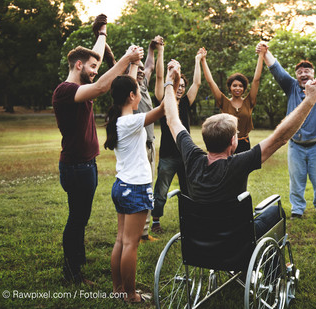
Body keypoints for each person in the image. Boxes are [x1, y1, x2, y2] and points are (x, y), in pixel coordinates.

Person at [163, 59, 316, 237]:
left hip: (201, 237)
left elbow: (172, 119)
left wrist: (170, 81)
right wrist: (310, 100)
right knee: (276, 212)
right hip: (237, 238)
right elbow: (280, 137)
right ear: (233, 142)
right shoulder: (239, 164)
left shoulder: (192, 158)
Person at [52, 19, 143, 285]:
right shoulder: (66, 90)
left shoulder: (79, 86)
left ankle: (76, 260)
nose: (96, 71)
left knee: (81, 216)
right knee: (77, 218)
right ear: (78, 65)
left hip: (86, 165)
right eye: (91, 67)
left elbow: (97, 60)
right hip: (76, 167)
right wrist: (127, 58)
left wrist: (102, 34)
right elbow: (103, 85)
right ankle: (72, 272)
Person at [259, 35, 316, 219]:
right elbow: (276, 69)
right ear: (296, 75)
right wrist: (266, 52)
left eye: (307, 71)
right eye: (300, 72)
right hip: (296, 146)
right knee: (296, 181)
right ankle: (297, 211)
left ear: (313, 74)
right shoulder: (291, 87)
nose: (303, 74)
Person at [104, 67, 167, 303]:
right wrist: (171, 81)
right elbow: (162, 109)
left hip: (122, 186)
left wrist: (133, 63)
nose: (140, 93)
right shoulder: (131, 121)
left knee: (122, 240)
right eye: (137, 90)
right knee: (131, 243)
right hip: (135, 188)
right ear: (131, 96)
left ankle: (119, 289)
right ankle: (130, 295)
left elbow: (130, 90)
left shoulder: (118, 119)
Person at [151, 48, 203, 233]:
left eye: (182, 86)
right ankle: (156, 221)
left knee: (188, 190)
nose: (180, 88)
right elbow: (159, 80)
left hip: (186, 155)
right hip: (167, 156)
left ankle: (188, 221)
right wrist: (167, 70)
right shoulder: (164, 102)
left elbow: (197, 82)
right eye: (177, 85)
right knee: (161, 190)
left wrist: (198, 60)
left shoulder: (187, 103)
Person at [200, 46, 265, 153]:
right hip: (226, 143)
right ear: (230, 87)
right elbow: (211, 82)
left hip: (244, 143)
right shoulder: (223, 102)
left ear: (244, 88)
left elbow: (256, 80)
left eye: (240, 86)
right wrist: (203, 60)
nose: (238, 88)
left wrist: (261, 56)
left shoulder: (249, 102)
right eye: (234, 85)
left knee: (244, 169)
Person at [135, 36, 165, 242]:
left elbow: (149, 67)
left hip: (150, 142)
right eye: (136, 70)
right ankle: (139, 232)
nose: (141, 72)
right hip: (139, 146)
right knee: (141, 186)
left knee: (148, 185)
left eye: (140, 71)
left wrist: (151, 48)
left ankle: (144, 231)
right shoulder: (129, 89)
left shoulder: (143, 84)